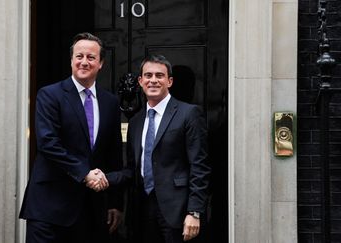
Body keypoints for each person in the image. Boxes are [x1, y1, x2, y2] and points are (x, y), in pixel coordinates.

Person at [19, 32, 123, 243]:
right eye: (79, 56)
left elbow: (113, 155)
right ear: (71, 60)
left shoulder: (110, 102)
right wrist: (85, 173)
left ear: (100, 63)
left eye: (91, 57)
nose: (84, 62)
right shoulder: (50, 95)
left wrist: (115, 202)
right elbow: (48, 143)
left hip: (89, 210)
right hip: (49, 208)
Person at [125, 54, 210, 243]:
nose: (153, 80)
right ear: (140, 81)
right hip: (142, 210)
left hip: (178, 212)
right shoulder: (136, 122)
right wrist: (102, 177)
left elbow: (199, 166)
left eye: (159, 75)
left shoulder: (189, 114)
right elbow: (131, 169)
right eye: (148, 75)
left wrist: (194, 212)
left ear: (169, 81)